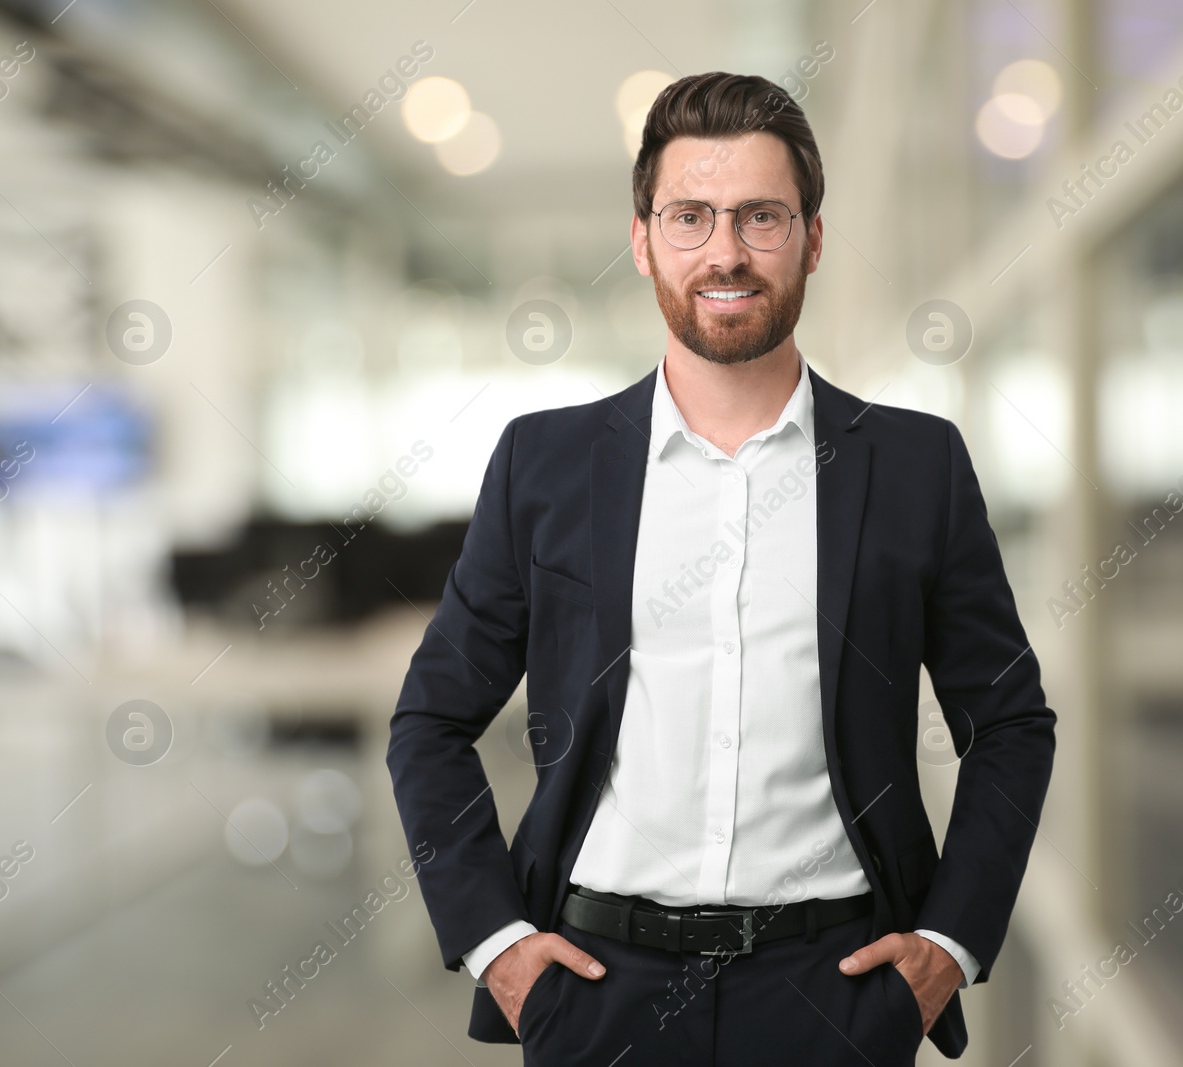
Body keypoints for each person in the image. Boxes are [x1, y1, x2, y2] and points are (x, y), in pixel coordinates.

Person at [386, 70, 1057, 1066]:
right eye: (690, 216)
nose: (726, 253)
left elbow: (1008, 721)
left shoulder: (916, 466)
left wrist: (949, 944)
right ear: (642, 238)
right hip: (596, 993)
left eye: (761, 217)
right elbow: (431, 722)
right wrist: (500, 946)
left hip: (839, 993)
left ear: (813, 238)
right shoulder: (547, 463)